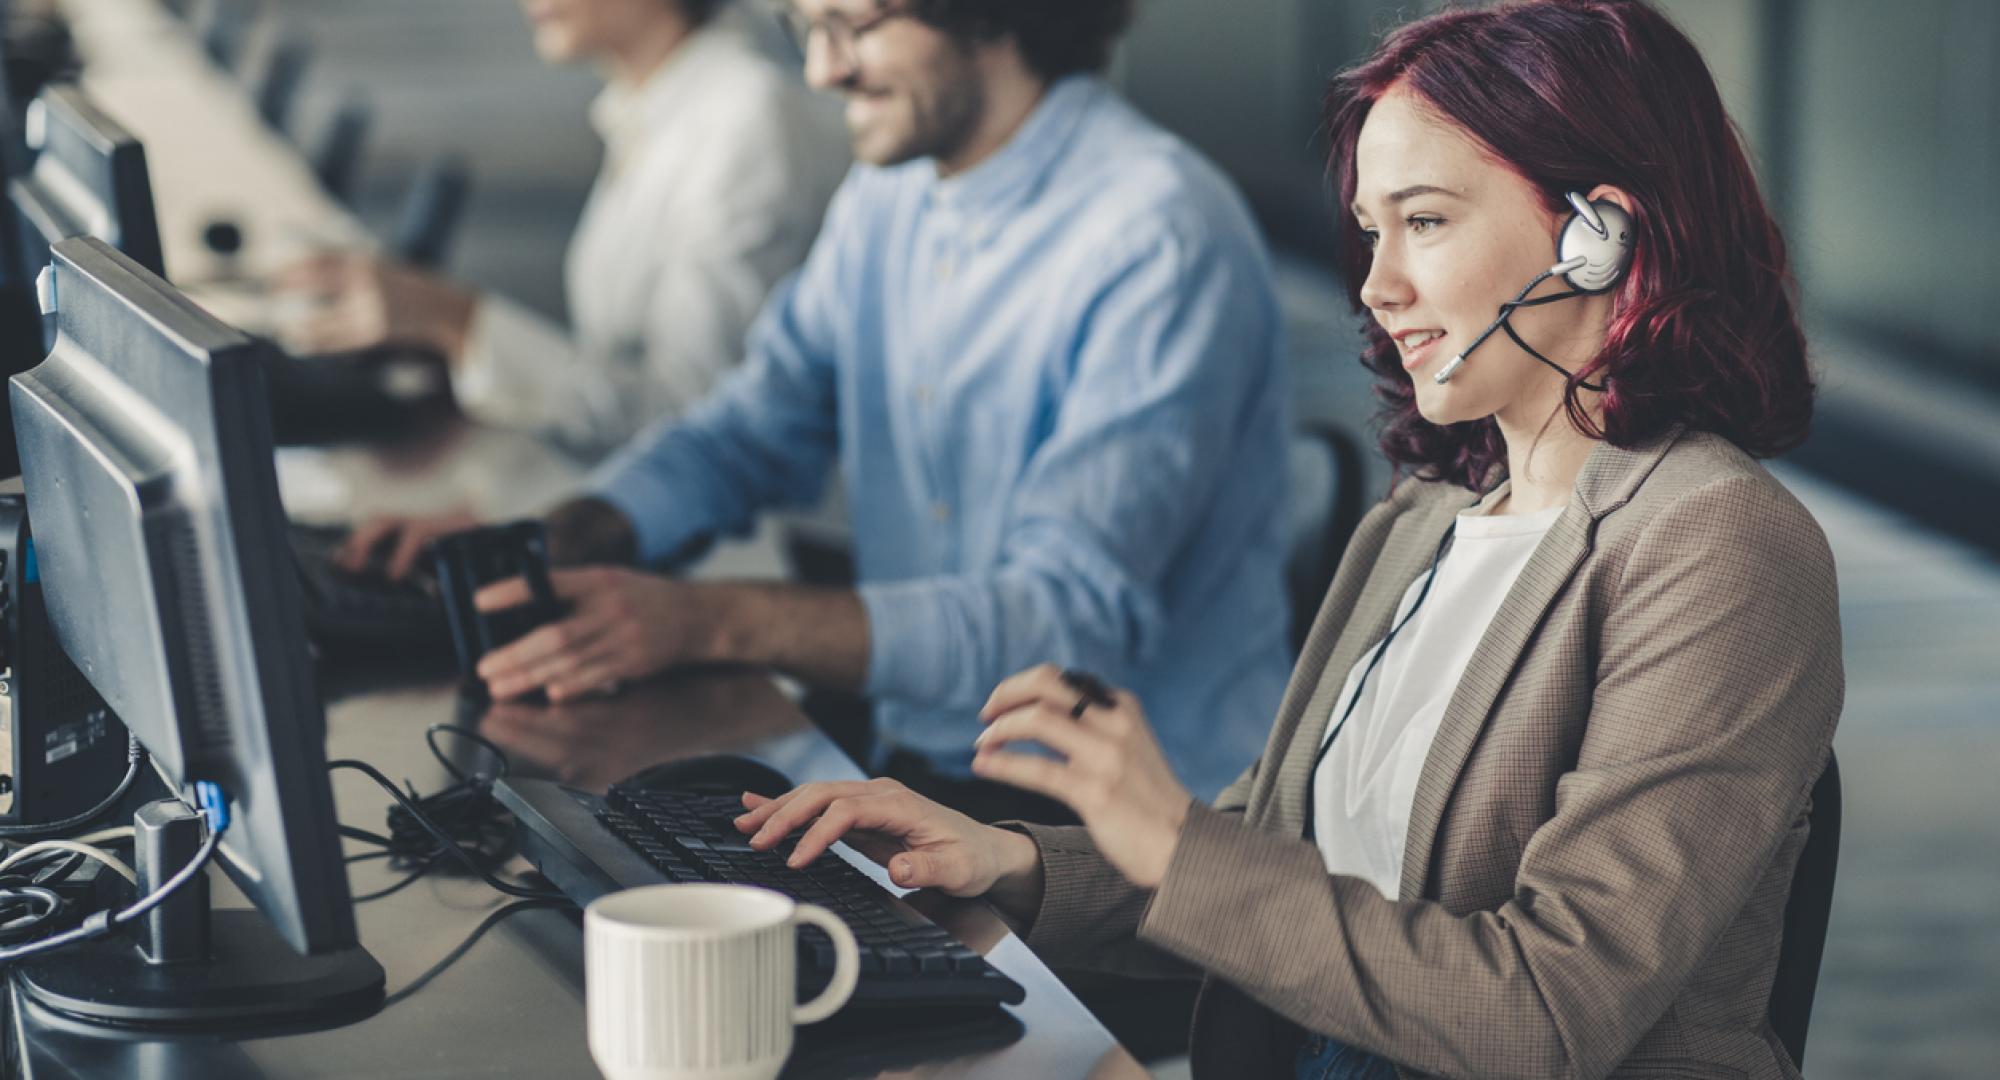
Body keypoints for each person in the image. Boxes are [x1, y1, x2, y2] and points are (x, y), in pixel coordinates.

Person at [732, 1, 1844, 1076]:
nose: (1376, 286)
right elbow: (1269, 876)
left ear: (1601, 234)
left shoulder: (1716, 545)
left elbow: (1545, 1016)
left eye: (1425, 221)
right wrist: (1006, 860)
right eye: (1370, 232)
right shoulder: (1421, 521)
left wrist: (1169, 842)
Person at [344, 0, 1294, 815]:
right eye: (803, 24)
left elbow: (1061, 625)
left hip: (1127, 828)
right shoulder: (892, 195)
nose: (823, 68)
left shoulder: (1156, 234)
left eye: (852, 22)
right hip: (928, 762)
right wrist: (557, 539)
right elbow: (749, 430)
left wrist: (710, 620)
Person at [275, 0, 849, 459]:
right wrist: (445, 343)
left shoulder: (747, 120)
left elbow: (697, 426)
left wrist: (460, 324)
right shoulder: (650, 105)